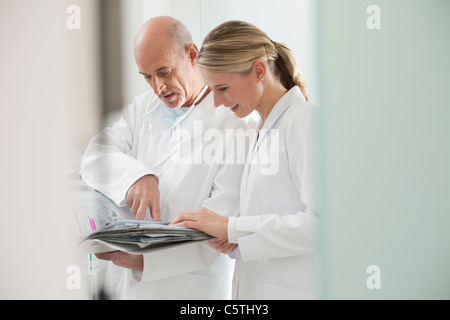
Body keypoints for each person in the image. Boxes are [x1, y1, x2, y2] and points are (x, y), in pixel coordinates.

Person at [80, 16, 255, 299]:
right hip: (123, 284)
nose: (157, 87)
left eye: (164, 72)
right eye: (147, 77)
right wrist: (137, 175)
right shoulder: (143, 107)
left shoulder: (235, 124)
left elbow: (220, 227)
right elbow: (96, 154)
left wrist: (148, 260)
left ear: (192, 55)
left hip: (187, 288)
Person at [171, 20, 318, 299]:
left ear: (259, 71)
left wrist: (233, 228)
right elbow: (278, 213)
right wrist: (236, 239)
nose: (215, 102)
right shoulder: (259, 128)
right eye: (211, 89)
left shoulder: (302, 124)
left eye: (222, 88)